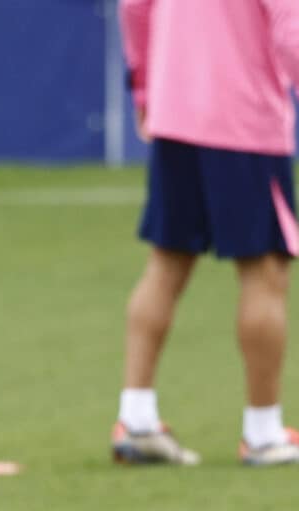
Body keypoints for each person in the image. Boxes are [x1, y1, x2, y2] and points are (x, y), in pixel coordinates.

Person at [112, 0, 299, 466]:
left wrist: (144, 88)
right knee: (266, 269)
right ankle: (263, 432)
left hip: (175, 113)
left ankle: (136, 421)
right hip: (245, 119)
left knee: (166, 264)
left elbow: (135, 7)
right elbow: (290, 28)